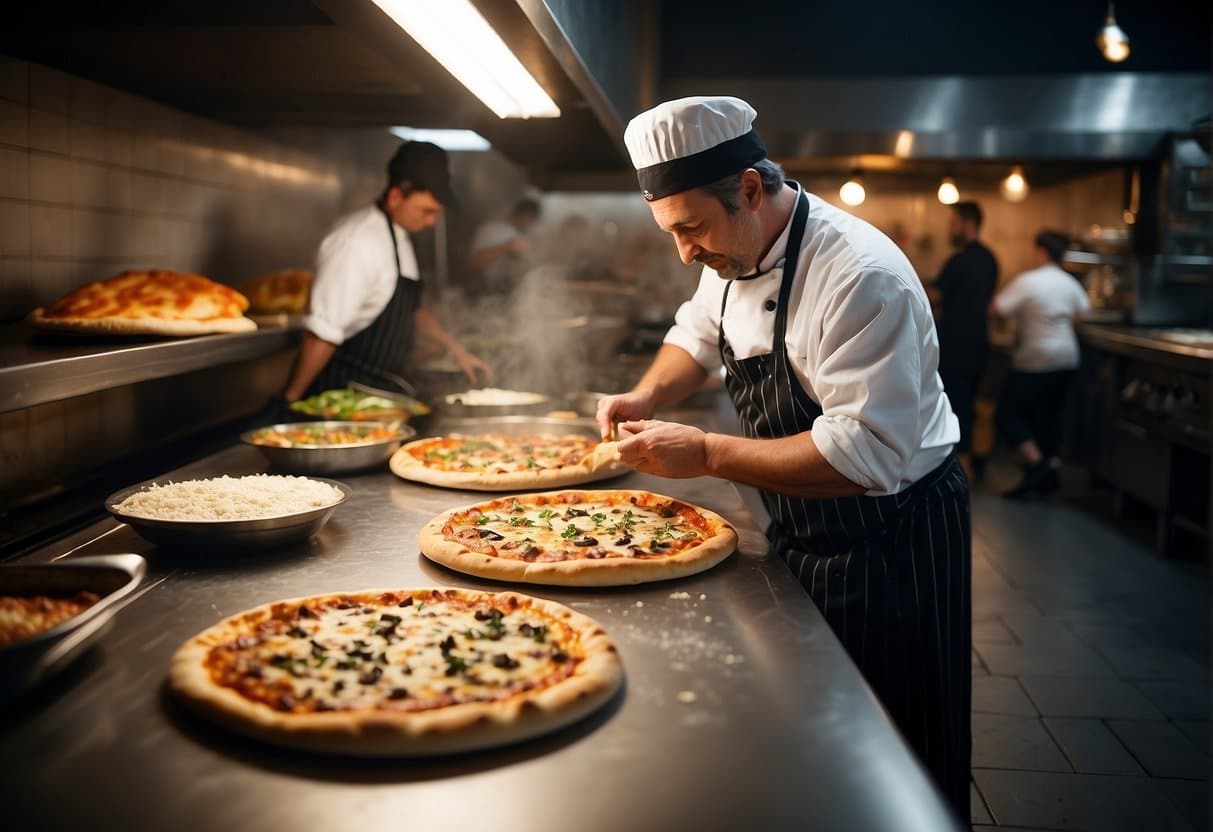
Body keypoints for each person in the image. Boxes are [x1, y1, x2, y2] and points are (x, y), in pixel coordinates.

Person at [597, 96, 970, 819]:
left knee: (898, 748)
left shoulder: (860, 276)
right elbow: (695, 335)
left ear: (747, 188)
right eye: (670, 232)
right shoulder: (732, 248)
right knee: (818, 735)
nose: (685, 252)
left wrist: (706, 451)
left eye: (691, 229)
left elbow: (863, 457)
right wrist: (643, 395)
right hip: (800, 528)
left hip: (892, 539)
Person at [281, 141, 489, 402]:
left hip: (381, 395)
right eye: (427, 211)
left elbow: (413, 310)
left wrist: (456, 349)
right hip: (340, 399)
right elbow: (322, 333)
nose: (432, 221)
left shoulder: (398, 236)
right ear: (395, 197)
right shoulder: (357, 243)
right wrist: (289, 400)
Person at [991, 230, 1091, 498]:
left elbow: (997, 308)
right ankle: (1042, 475)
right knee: (1048, 420)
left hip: (1035, 358)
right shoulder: (1071, 283)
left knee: (1006, 415)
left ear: (1041, 251)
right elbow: (1081, 317)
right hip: (1067, 358)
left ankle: (1039, 466)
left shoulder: (1029, 281)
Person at [926, 202, 998, 478]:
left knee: (956, 405)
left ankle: (960, 468)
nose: (950, 228)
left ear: (968, 224)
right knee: (970, 404)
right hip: (980, 343)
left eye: (953, 222)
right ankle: (970, 464)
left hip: (955, 344)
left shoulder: (958, 261)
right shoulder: (990, 259)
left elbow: (935, 295)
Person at [468, 198, 542, 296]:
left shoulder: (524, 234)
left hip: (512, 292)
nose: (532, 224)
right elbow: (476, 263)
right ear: (524, 215)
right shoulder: (492, 229)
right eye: (531, 219)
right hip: (487, 291)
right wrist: (507, 246)